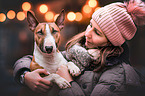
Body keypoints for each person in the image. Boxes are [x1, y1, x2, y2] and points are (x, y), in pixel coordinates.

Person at [13, 0, 145, 96]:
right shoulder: (77, 52)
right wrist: (25, 76)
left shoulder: (117, 75)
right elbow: (30, 59)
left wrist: (68, 81)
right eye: (90, 25)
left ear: (111, 42)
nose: (87, 33)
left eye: (97, 33)